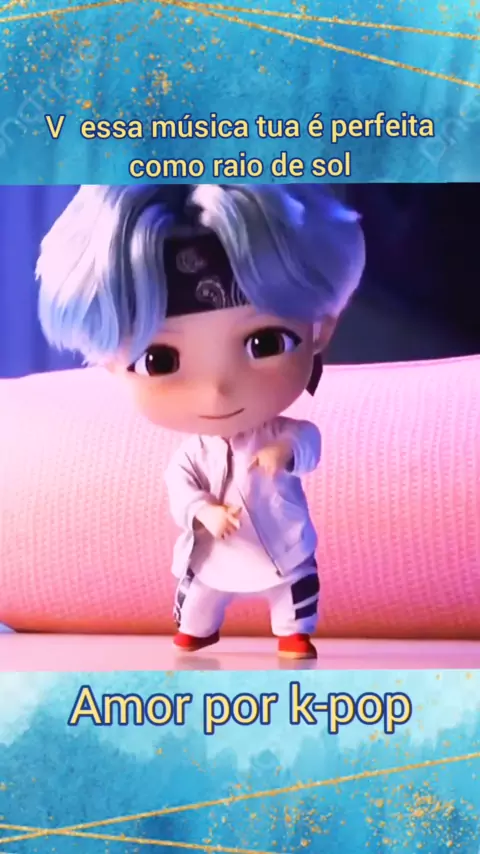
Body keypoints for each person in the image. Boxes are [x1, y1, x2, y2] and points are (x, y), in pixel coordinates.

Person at [37, 183, 365, 659]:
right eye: (160, 360)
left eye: (265, 343)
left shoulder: (280, 433)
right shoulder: (194, 453)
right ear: (110, 361)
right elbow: (182, 485)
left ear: (320, 329)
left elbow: (306, 442)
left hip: (281, 544)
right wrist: (203, 511)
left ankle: (293, 631)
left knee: (293, 589)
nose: (216, 391)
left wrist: (284, 452)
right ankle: (196, 628)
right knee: (200, 594)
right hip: (216, 545)